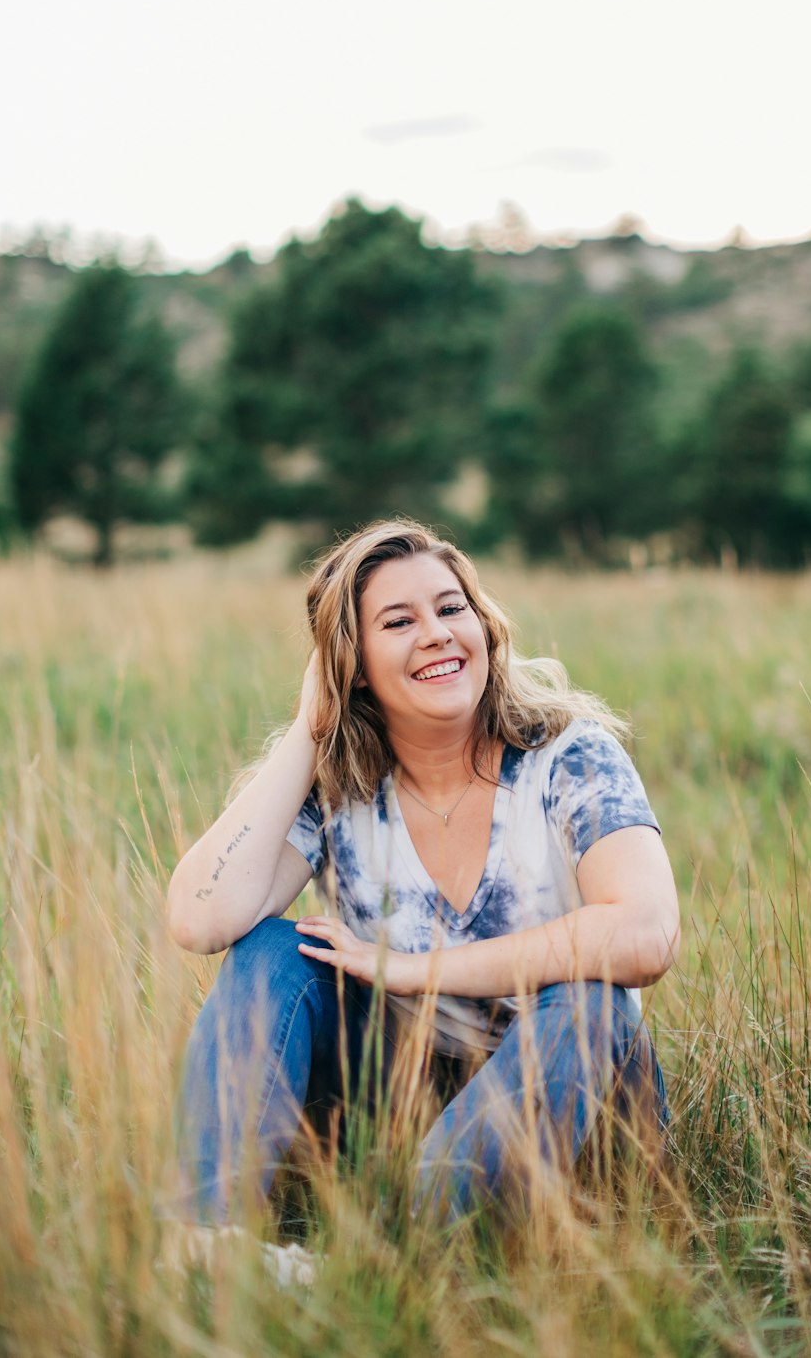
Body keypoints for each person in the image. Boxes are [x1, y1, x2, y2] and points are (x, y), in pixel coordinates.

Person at [168, 519, 679, 1242]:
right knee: (270, 953)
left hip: (580, 1099)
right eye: (398, 621)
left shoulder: (569, 756)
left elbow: (646, 931)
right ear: (354, 662)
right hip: (403, 1098)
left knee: (590, 996)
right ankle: (208, 1244)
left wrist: (415, 972)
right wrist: (310, 730)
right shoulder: (342, 785)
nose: (437, 633)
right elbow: (200, 918)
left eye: (451, 608)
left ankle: (414, 1253)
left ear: (483, 625)